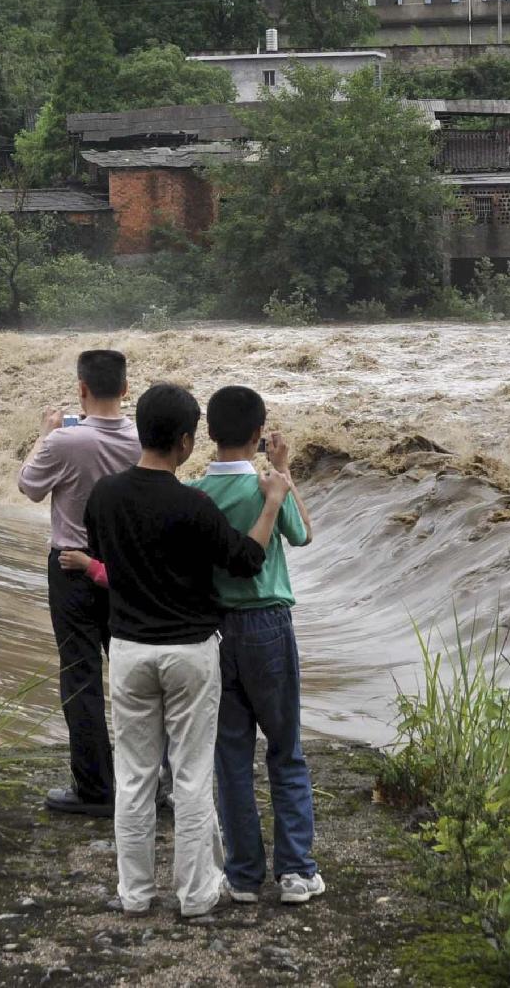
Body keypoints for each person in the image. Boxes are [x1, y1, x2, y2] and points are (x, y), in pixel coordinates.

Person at [79, 382, 292, 919]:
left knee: (135, 776)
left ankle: (135, 893)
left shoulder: (104, 495)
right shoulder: (192, 504)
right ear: (184, 441)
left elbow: (101, 556)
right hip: (190, 653)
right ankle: (196, 895)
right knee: (193, 775)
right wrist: (271, 504)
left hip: (127, 649)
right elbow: (245, 560)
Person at [193, 385, 324, 905]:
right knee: (285, 749)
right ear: (258, 434)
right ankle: (295, 872)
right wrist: (285, 474)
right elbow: (304, 534)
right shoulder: (268, 485)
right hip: (268, 625)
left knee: (230, 756)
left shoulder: (196, 492)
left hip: (214, 630)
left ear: (208, 433)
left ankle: (244, 875)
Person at [16, 348, 137, 817]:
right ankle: (150, 781)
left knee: (81, 677)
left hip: (71, 567)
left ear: (81, 390)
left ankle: (95, 788)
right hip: (128, 569)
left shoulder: (64, 442)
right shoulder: (144, 437)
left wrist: (42, 436)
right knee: (134, 675)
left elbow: (29, 486)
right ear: (126, 390)